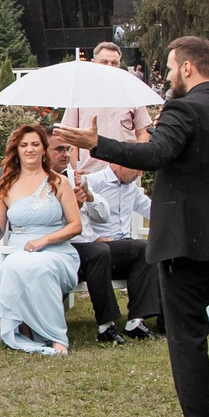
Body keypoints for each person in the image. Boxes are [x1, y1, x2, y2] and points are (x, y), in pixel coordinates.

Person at [64, 36, 209, 417]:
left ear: (186, 67)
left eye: (168, 66)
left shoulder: (184, 108)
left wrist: (97, 145)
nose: (165, 74)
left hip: (185, 240)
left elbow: (156, 153)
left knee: (188, 336)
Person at [0, 122, 82, 355]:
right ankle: (27, 328)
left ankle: (54, 336)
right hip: (18, 250)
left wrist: (45, 241)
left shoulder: (58, 182)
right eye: (24, 145)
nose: (29, 149)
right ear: (16, 150)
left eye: (35, 144)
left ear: (43, 149)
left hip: (56, 252)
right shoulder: (6, 184)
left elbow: (76, 225)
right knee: (19, 263)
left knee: (39, 265)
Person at [55, 136, 159, 343]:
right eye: (137, 168)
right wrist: (96, 237)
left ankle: (136, 320)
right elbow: (85, 219)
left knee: (147, 250)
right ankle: (109, 325)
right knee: (135, 248)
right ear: (118, 163)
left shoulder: (131, 188)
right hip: (93, 249)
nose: (140, 173)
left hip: (118, 249)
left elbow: (153, 210)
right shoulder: (91, 181)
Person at [60, 40, 155, 145]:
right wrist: (75, 161)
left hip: (125, 160)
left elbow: (142, 132)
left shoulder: (132, 94)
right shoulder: (79, 94)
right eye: (104, 62)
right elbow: (69, 132)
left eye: (114, 63)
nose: (109, 66)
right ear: (93, 63)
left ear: (119, 64)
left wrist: (139, 158)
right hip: (90, 161)